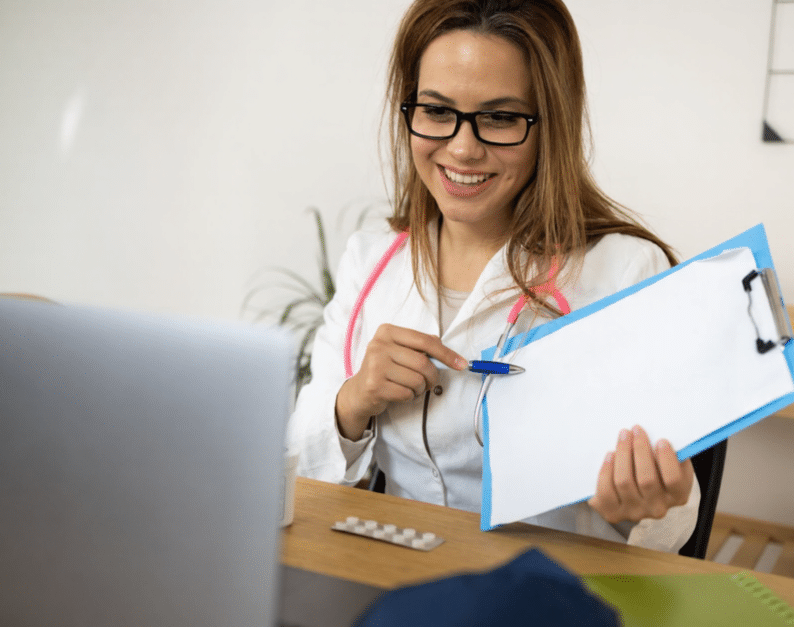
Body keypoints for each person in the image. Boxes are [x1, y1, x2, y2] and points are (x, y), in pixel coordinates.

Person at [288, 0, 699, 552]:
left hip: (548, 593)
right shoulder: (372, 262)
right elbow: (301, 460)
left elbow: (674, 519)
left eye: (501, 118)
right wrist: (353, 401)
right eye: (436, 111)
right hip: (393, 575)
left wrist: (639, 509)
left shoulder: (624, 272)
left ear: (549, 126)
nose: (462, 148)